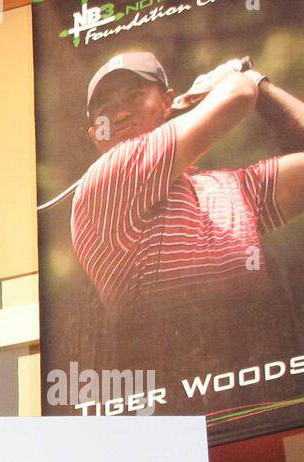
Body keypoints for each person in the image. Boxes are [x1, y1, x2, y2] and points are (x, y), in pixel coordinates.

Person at [70, 51, 304, 381]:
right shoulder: (103, 181)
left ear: (169, 102)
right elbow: (237, 95)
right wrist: (239, 78)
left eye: (135, 96)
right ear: (97, 135)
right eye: (105, 111)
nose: (121, 114)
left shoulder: (230, 188)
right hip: (178, 411)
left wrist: (260, 86)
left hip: (262, 400)